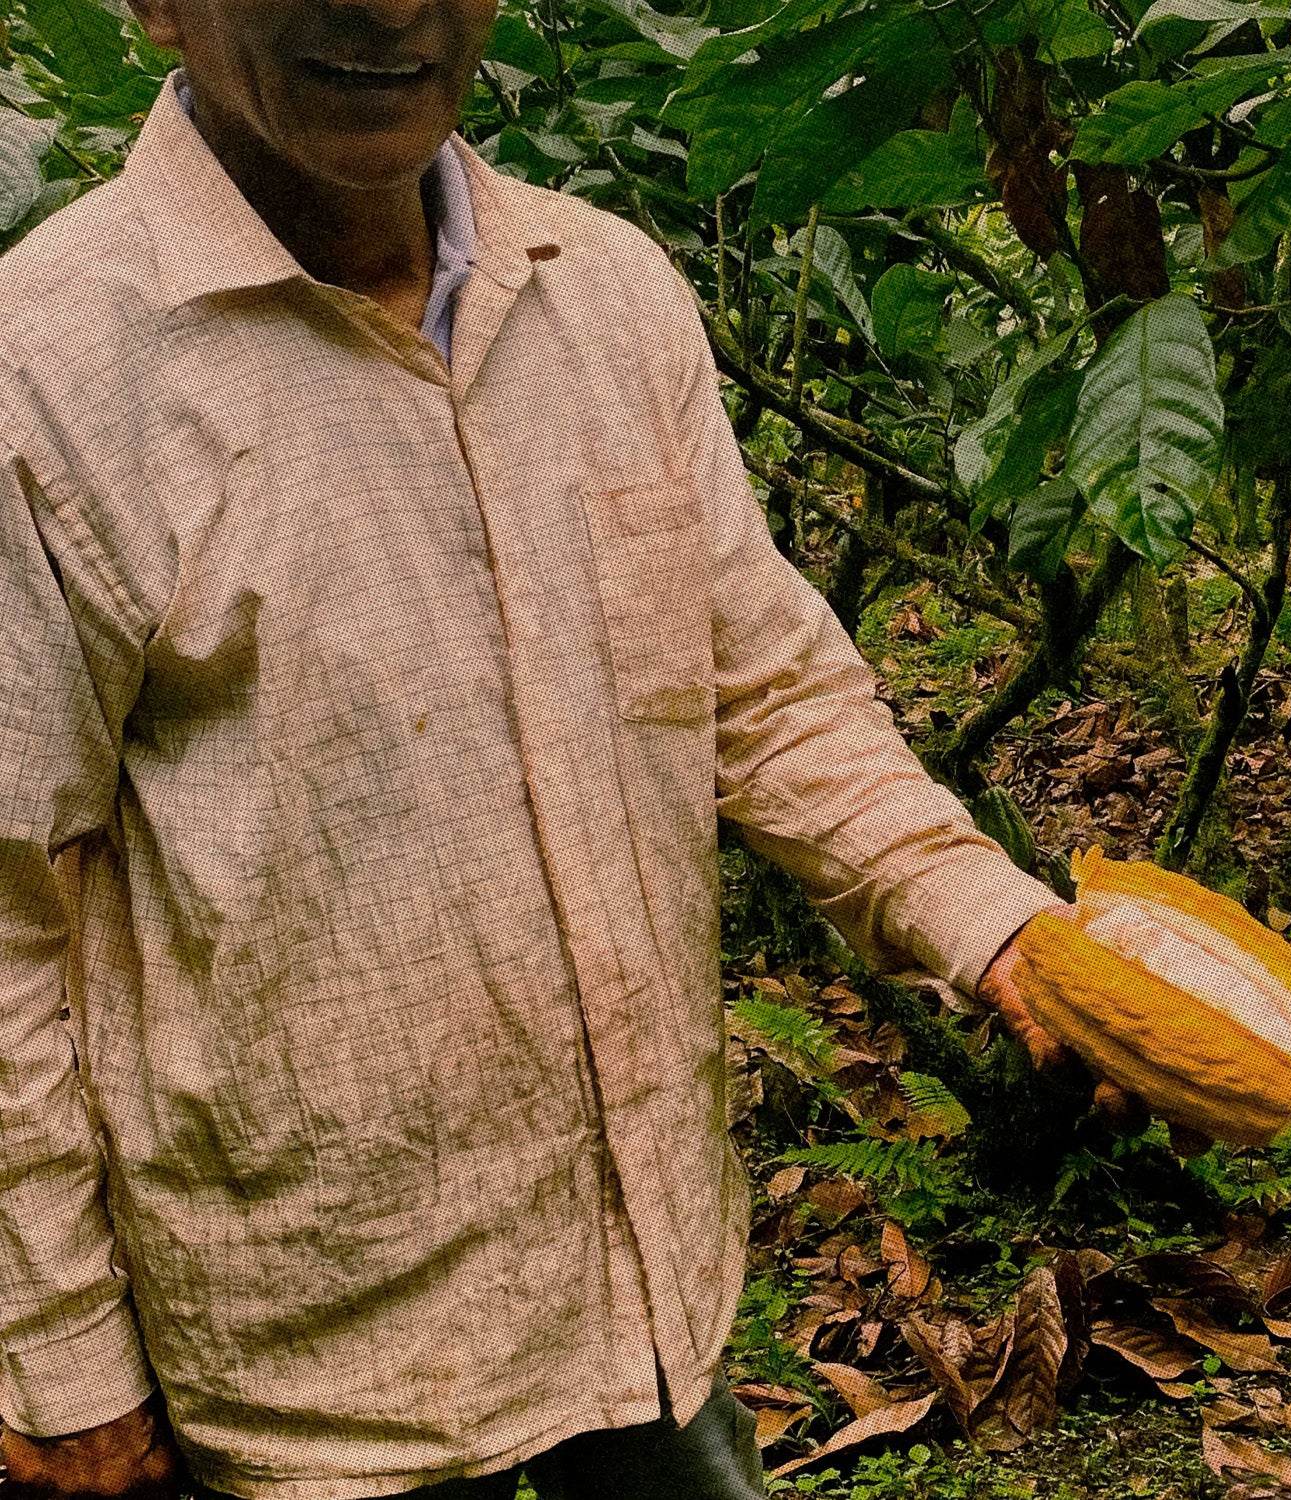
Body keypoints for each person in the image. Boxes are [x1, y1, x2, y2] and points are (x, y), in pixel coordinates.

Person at [0, 2, 1135, 1496]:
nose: (387, 7)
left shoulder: (603, 294)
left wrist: (994, 930)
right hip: (311, 1356)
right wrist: (60, 1354)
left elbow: (764, 687)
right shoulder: (55, 368)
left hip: (639, 1278)